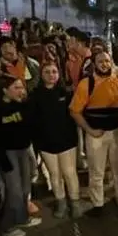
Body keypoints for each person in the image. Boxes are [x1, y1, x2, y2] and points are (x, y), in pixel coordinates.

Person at [69, 50, 118, 214]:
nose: (104, 64)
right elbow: (74, 111)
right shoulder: (87, 83)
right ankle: (97, 204)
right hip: (96, 135)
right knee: (96, 171)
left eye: (107, 61)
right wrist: (89, 130)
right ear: (94, 65)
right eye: (100, 62)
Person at [0, 75, 40, 236]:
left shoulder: (22, 105)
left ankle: (22, 218)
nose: (21, 91)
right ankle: (7, 225)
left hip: (23, 149)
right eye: (16, 88)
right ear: (5, 90)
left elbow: (30, 125)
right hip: (7, 152)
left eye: (22, 87)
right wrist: (2, 159)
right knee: (13, 190)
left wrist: (26, 104)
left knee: (25, 187)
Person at [28, 61, 82, 218]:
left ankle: (75, 201)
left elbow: (73, 117)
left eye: (54, 72)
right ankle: (61, 202)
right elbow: (33, 120)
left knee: (69, 172)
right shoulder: (35, 95)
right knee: (54, 174)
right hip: (46, 142)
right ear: (41, 75)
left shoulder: (66, 93)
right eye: (47, 72)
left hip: (66, 141)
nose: (51, 75)